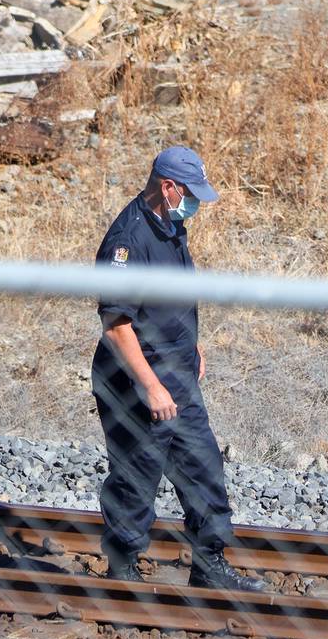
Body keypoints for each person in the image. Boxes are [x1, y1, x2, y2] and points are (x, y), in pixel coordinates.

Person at [90, 145, 265, 592]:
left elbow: (171, 302)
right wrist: (149, 385)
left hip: (179, 375)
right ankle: (122, 572)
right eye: (190, 194)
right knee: (137, 474)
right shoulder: (126, 241)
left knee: (203, 466)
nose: (195, 205)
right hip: (136, 382)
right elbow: (116, 325)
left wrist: (193, 346)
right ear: (167, 187)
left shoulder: (172, 225)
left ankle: (209, 565)